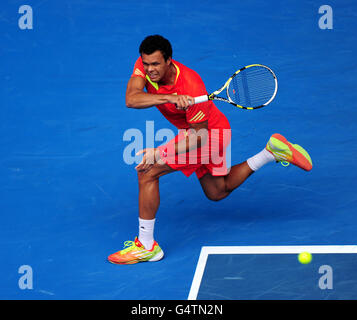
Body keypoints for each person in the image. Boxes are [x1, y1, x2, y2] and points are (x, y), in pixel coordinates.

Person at [108, 35, 312, 265]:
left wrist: (160, 152)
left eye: (155, 64)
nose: (149, 69)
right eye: (146, 64)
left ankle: (146, 247)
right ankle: (271, 152)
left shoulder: (192, 85)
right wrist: (168, 97)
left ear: (169, 61)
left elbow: (199, 137)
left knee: (148, 171)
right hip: (204, 131)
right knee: (217, 191)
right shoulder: (144, 68)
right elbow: (131, 99)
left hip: (207, 136)